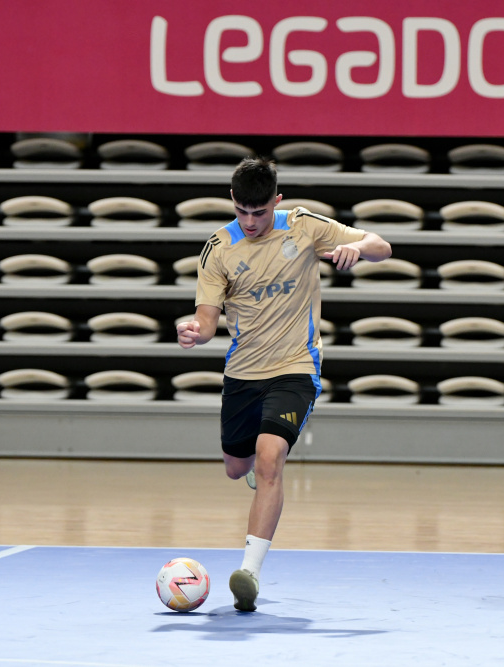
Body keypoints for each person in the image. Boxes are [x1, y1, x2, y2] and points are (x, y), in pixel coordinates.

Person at [176, 157, 392, 611]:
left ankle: (248, 574)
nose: (251, 222)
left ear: (277, 201)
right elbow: (209, 319)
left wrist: (359, 249)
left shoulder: (304, 226)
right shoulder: (218, 250)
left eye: (260, 212)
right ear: (232, 204)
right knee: (238, 467)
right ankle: (252, 467)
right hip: (243, 372)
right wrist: (195, 330)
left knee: (271, 457)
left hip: (296, 366)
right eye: (242, 212)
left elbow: (382, 246)